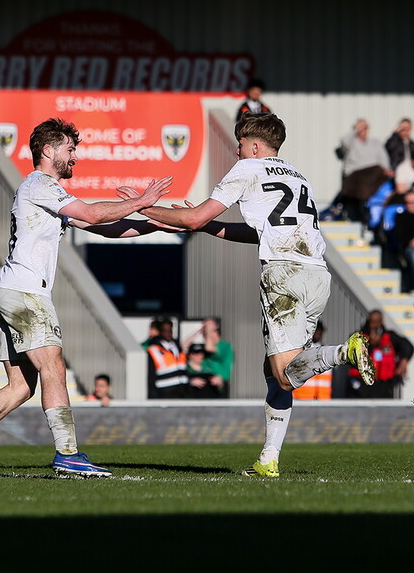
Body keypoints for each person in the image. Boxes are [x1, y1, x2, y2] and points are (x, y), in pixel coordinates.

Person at [123, 112, 373, 478]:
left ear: (255, 146)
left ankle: (342, 351)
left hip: (283, 275)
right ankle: (269, 457)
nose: (237, 153)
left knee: (285, 373)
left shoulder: (247, 169)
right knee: (275, 374)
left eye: (240, 146)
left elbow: (192, 219)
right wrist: (206, 226)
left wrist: (143, 206)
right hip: (317, 275)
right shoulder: (297, 176)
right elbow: (257, 232)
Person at [0, 117, 173, 479]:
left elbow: (101, 227)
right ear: (48, 150)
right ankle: (68, 454)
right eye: (69, 148)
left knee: (21, 387)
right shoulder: (41, 183)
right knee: (54, 365)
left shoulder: (47, 192)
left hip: (12, 290)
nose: (74, 156)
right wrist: (142, 199)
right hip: (26, 292)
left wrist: (156, 220)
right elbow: (93, 212)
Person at [334, 118, 392, 222]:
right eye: (361, 128)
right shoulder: (352, 143)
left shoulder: (375, 143)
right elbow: (344, 141)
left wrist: (387, 169)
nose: (363, 131)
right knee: (362, 185)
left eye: (365, 128)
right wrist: (356, 130)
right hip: (356, 176)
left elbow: (384, 159)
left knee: (379, 174)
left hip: (373, 176)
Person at [350, 310, 414, 399]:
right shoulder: (359, 337)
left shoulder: (389, 336)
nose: (374, 325)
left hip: (383, 384)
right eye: (372, 322)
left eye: (377, 322)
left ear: (381, 321)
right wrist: (370, 344)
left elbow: (408, 346)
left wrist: (403, 361)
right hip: (363, 384)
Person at [186, 317, 234, 398]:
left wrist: (209, 328)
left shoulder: (224, 346)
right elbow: (184, 346)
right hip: (204, 381)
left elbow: (209, 348)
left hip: (218, 383)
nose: (205, 336)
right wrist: (199, 331)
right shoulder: (204, 347)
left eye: (206, 333)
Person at [146, 317, 189, 398]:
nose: (168, 333)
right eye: (165, 330)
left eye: (170, 330)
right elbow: (151, 375)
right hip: (165, 392)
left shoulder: (177, 346)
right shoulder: (153, 349)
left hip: (182, 390)